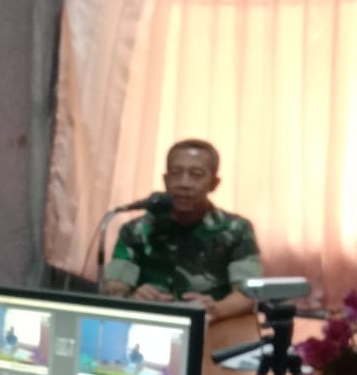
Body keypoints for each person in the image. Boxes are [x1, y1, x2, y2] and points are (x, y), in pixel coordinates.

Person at [102, 138, 263, 323]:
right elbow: (113, 288)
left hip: (212, 327)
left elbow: (249, 294)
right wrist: (134, 298)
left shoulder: (236, 229)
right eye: (176, 173)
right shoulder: (136, 230)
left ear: (214, 183)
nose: (184, 183)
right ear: (165, 180)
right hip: (150, 324)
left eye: (196, 175)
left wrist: (216, 309)